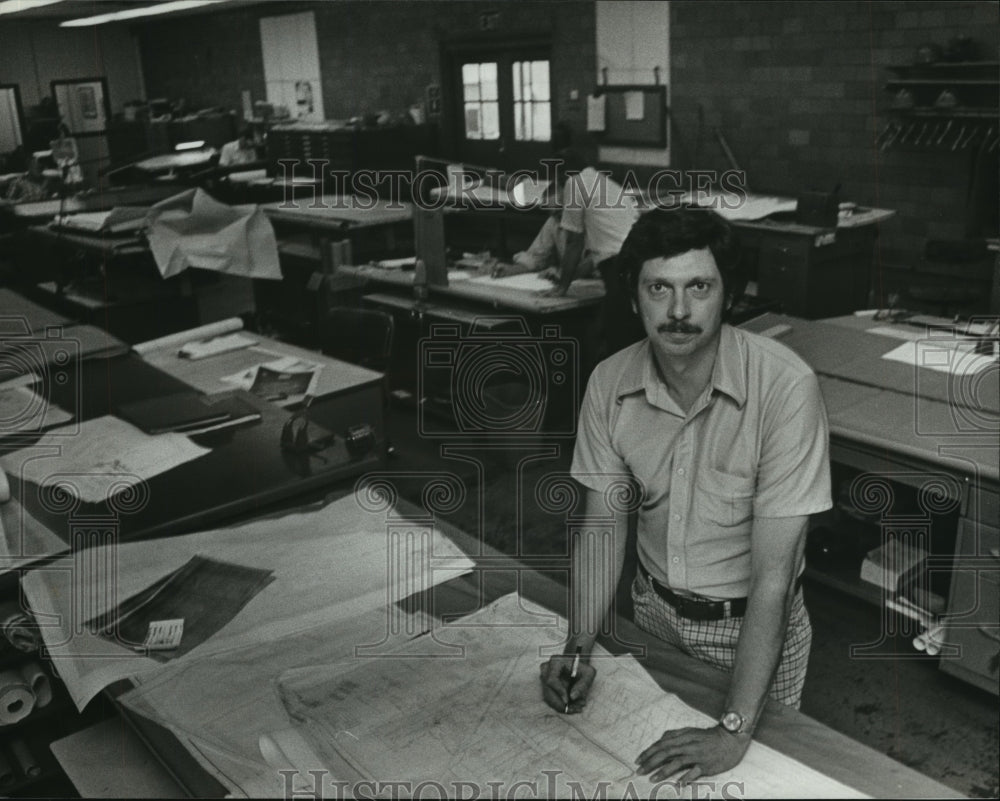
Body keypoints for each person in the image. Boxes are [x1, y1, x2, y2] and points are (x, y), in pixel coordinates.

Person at [540, 206, 832, 784]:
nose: (678, 311)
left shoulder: (785, 389)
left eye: (698, 286)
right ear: (633, 299)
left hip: (750, 626)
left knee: (749, 782)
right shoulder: (608, 384)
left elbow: (773, 579)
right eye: (659, 289)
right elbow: (603, 530)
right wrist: (578, 645)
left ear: (728, 296)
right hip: (653, 613)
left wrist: (732, 728)